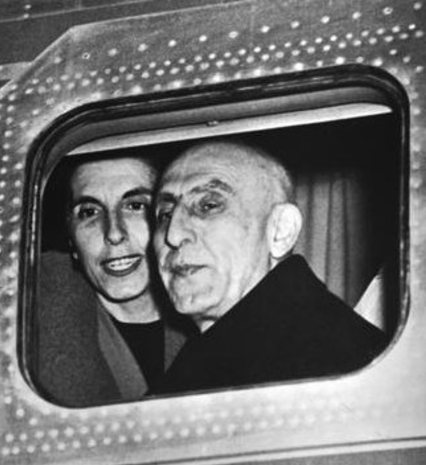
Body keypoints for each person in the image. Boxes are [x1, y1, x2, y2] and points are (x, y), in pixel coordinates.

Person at [150, 139, 387, 395]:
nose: (172, 235)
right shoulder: (232, 353)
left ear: (280, 231)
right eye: (165, 214)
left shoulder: (332, 363)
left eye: (208, 206)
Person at [35, 152, 194, 407]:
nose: (114, 233)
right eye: (89, 212)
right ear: (71, 241)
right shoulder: (31, 316)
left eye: (135, 206)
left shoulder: (212, 303)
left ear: (168, 219)